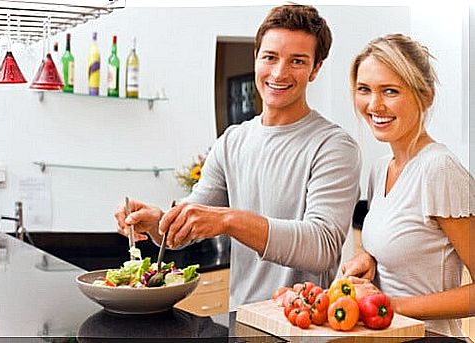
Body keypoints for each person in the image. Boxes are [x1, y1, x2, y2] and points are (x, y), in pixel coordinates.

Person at [115, 5, 361, 310]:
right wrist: (157, 223)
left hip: (302, 325)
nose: (279, 72)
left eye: (297, 61)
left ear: (315, 69)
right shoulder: (232, 141)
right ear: (256, 57)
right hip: (241, 321)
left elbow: (320, 247)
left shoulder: (334, 146)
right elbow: (191, 222)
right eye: (270, 57)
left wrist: (229, 219)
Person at [342, 33, 474, 336]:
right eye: (364, 90)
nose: (374, 105)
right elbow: (407, 247)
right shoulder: (380, 169)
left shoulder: (439, 170)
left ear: (425, 95)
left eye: (390, 91)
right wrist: (369, 258)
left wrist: (390, 305)